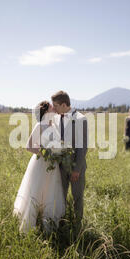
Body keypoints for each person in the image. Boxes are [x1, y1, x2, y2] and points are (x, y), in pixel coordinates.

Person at [13, 101, 65, 233]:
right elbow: (29, 146)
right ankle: (29, 225)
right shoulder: (40, 125)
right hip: (41, 163)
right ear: (46, 111)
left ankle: (49, 224)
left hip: (53, 165)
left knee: (51, 191)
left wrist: (58, 153)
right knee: (36, 190)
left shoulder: (54, 126)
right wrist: (45, 153)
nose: (54, 107)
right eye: (51, 107)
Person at [52, 90, 88, 231]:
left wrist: (77, 169)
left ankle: (77, 225)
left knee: (77, 197)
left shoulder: (80, 119)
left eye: (56, 106)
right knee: (60, 196)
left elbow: (82, 146)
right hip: (60, 166)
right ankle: (62, 222)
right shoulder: (55, 118)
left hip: (75, 167)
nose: (53, 109)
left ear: (64, 104)